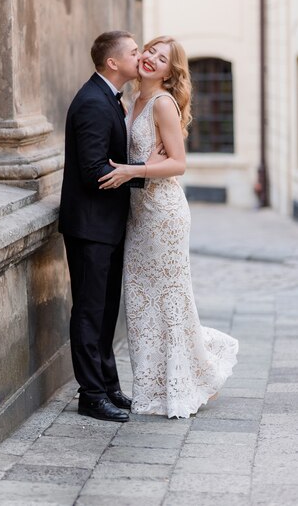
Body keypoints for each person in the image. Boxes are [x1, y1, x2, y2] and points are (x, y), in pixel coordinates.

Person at [99, 35, 239, 418]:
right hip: (139, 215)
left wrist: (135, 169)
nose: (150, 60)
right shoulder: (131, 101)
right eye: (150, 52)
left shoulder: (162, 103)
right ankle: (154, 386)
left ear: (168, 71)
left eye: (161, 59)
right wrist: (138, 164)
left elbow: (178, 163)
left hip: (164, 215)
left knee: (169, 298)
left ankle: (183, 382)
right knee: (143, 301)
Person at [59, 31, 161, 423]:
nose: (141, 57)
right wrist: (146, 173)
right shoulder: (92, 103)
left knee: (105, 312)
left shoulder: (110, 100)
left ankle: (109, 385)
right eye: (135, 53)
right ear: (113, 63)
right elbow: (93, 171)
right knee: (89, 311)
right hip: (90, 227)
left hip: (108, 225)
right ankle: (91, 394)